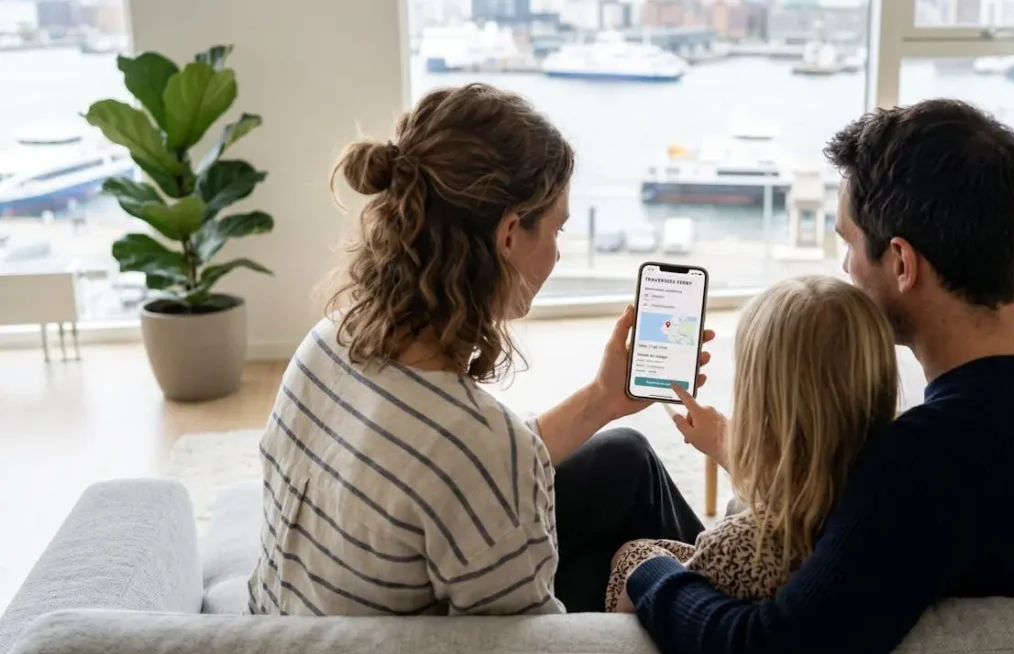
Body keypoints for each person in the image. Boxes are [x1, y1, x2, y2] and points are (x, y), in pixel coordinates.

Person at [622, 99, 1014, 654]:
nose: (847, 268)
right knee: (628, 463)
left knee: (619, 499)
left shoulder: (930, 458)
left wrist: (645, 570)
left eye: (849, 243)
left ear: (902, 263)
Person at [247, 83, 709, 617]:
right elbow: (537, 651)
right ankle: (735, 625)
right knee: (644, 564)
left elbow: (466, 466)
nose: (558, 253)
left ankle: (727, 590)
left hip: (300, 625)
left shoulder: (328, 341)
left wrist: (604, 398)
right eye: (556, 229)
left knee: (625, 458)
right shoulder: (479, 446)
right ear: (510, 234)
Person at [603, 276, 899, 612]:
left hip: (670, 613)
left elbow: (635, 616)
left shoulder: (740, 548)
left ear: (758, 398)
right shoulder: (892, 488)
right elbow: (801, 490)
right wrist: (724, 446)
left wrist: (632, 558)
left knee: (624, 527)